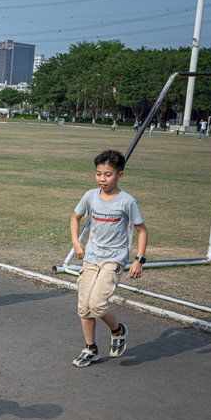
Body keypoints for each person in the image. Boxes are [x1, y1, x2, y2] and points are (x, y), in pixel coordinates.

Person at [70, 150, 148, 368]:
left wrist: (139, 259)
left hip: (113, 260)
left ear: (119, 176)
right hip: (91, 258)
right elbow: (75, 217)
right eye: (98, 174)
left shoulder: (127, 202)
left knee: (97, 304)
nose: (102, 179)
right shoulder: (90, 196)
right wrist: (76, 242)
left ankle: (118, 330)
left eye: (108, 174)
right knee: (84, 307)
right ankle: (91, 349)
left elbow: (142, 230)